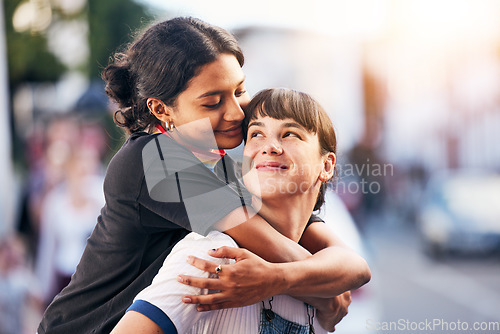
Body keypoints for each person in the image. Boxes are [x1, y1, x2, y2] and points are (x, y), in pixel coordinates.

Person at [37, 17, 368, 334]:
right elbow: (283, 252)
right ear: (161, 109)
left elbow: (352, 265)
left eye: (239, 91)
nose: (237, 112)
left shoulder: (222, 164)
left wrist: (319, 284)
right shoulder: (153, 159)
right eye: (213, 103)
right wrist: (325, 292)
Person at [111, 88, 370, 334]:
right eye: (256, 134)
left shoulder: (323, 279)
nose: (270, 146)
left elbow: (358, 269)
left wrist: (279, 279)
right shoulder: (215, 255)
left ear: (326, 165)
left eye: (290, 134)